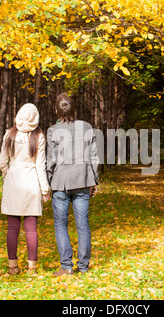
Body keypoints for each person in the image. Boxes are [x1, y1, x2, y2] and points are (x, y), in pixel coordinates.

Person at [46, 93, 99, 276]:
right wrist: (94, 180)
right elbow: (93, 157)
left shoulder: (52, 130)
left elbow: (50, 160)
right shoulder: (86, 127)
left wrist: (49, 181)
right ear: (74, 109)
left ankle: (66, 267)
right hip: (83, 180)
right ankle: (83, 267)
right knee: (82, 224)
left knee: (61, 225)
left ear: (56, 110)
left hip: (61, 182)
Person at [0, 103, 50, 275]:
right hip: (31, 182)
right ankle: (32, 268)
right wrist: (44, 190)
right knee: (31, 229)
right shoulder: (39, 136)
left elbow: (1, 163)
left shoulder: (9, 134)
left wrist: (8, 175)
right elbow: (40, 166)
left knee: (12, 228)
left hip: (13, 182)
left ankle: (12, 267)